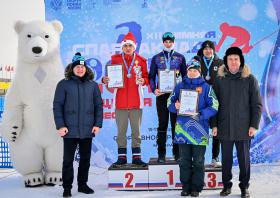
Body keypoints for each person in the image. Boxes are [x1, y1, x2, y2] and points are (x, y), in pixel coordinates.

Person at [211, 47, 262, 198]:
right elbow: (214, 105)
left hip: (244, 128)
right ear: (226, 62)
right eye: (230, 59)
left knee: (244, 160)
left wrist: (253, 125)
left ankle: (244, 187)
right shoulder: (219, 80)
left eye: (236, 59)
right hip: (224, 127)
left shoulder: (249, 79)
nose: (233, 62)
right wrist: (214, 125)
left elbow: (257, 105)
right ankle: (226, 186)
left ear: (240, 61)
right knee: (226, 159)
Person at [53, 52, 103, 197]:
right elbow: (57, 106)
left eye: (82, 67)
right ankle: (67, 187)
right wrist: (60, 126)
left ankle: (82, 185)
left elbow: (99, 106)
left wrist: (97, 125)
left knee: (85, 160)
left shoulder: (93, 85)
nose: (80, 69)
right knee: (67, 160)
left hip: (88, 129)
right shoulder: (63, 84)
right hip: (69, 130)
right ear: (72, 68)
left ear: (86, 69)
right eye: (77, 67)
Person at [167, 56, 219, 197]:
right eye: (190, 70)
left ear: (199, 71)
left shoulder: (206, 87)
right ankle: (186, 186)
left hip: (199, 130)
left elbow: (214, 106)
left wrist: (201, 114)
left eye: (195, 70)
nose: (192, 73)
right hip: (182, 130)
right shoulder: (179, 86)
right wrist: (175, 106)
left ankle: (196, 188)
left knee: (198, 161)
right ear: (187, 71)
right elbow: (169, 103)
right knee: (184, 161)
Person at [102, 32, 149, 167]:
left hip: (136, 101)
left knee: (136, 131)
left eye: (130, 46)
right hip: (120, 101)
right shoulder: (115, 60)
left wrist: (143, 81)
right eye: (125, 46)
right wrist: (105, 80)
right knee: (121, 131)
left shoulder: (141, 61)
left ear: (135, 47)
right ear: (122, 47)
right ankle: (121, 157)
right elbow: (109, 78)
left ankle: (136, 157)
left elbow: (147, 78)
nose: (128, 48)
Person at [149, 32, 187, 163]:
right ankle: (161, 154)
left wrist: (182, 93)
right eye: (166, 42)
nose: (168, 44)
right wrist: (154, 90)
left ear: (174, 42)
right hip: (161, 96)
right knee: (162, 125)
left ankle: (177, 154)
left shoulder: (180, 58)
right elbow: (151, 77)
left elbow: (185, 77)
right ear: (162, 42)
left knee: (176, 125)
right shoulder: (156, 58)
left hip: (176, 97)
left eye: (170, 41)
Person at [197, 40, 223, 168]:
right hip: (201, 102)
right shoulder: (197, 62)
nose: (208, 51)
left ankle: (215, 156)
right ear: (202, 50)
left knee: (215, 129)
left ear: (213, 50)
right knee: (201, 129)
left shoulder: (221, 63)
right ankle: (200, 157)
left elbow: (225, 81)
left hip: (215, 101)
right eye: (205, 49)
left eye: (210, 48)